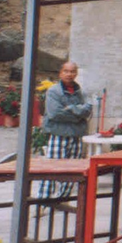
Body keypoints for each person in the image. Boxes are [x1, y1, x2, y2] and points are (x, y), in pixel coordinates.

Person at [37, 61, 93, 200]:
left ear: (76, 73)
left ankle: (62, 199)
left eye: (72, 71)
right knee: (52, 168)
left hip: (76, 135)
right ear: (60, 73)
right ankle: (44, 201)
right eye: (66, 71)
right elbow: (55, 113)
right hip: (59, 134)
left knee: (72, 170)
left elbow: (88, 110)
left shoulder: (81, 92)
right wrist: (78, 114)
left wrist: (71, 109)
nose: (69, 74)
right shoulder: (54, 91)